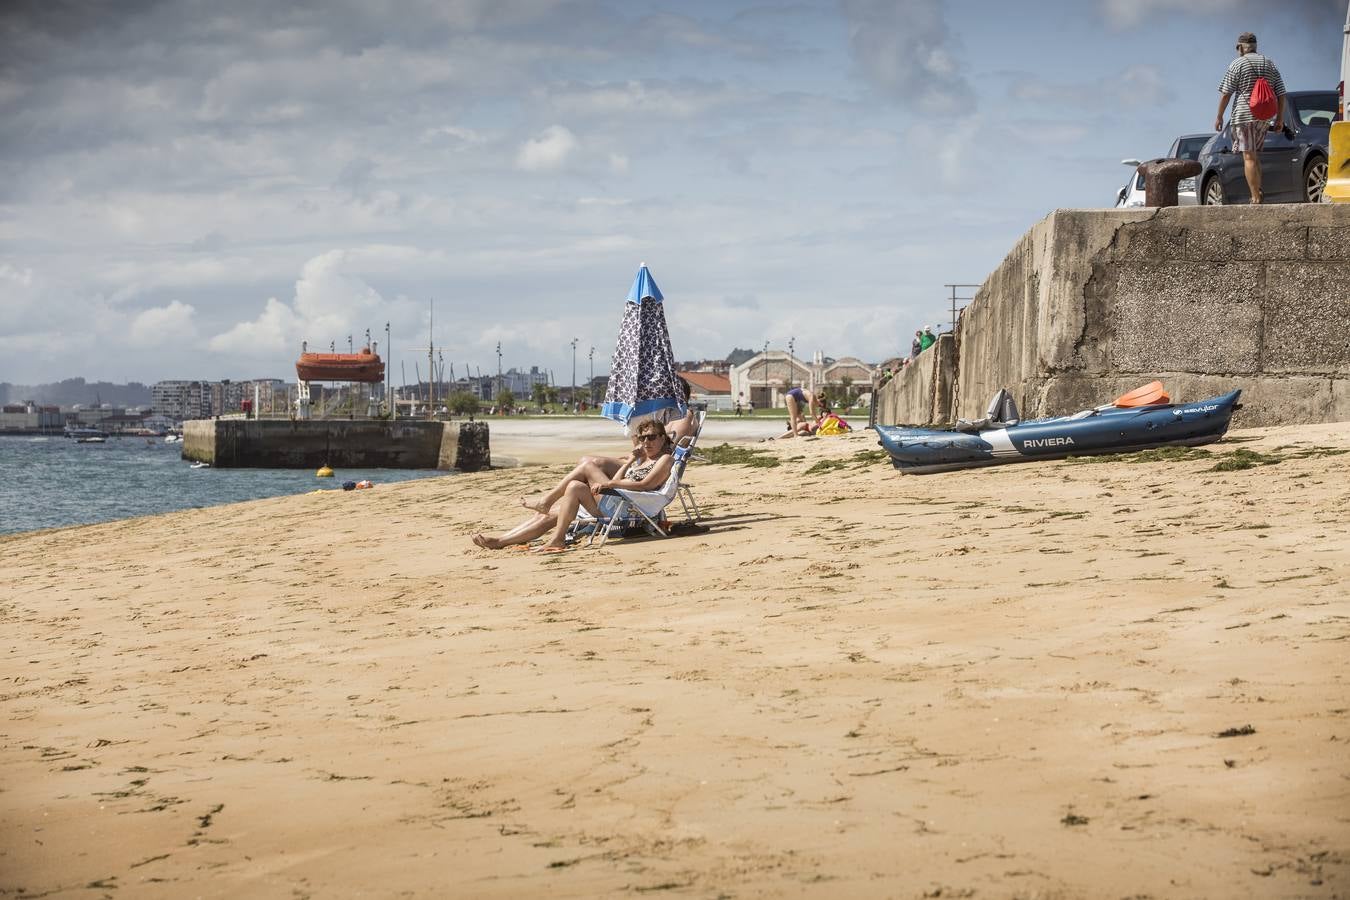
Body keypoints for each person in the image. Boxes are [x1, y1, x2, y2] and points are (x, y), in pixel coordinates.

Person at [474, 418, 676, 553]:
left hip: (628, 504)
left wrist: (611, 484)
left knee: (586, 467)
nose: (646, 442)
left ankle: (547, 507)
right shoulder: (643, 459)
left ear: (662, 438)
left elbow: (644, 485)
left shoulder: (664, 459)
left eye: (651, 437)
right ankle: (502, 540)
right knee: (565, 499)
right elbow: (625, 475)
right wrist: (631, 461)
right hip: (617, 498)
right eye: (642, 438)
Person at [1215, 31, 1286, 204]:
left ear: (1240, 47)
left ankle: (1255, 197)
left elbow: (1226, 93)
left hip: (1244, 115)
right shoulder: (1269, 63)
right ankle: (1258, 192)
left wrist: (1219, 116)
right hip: (1264, 116)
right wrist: (1279, 119)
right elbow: (1281, 93)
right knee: (1255, 157)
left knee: (1248, 157)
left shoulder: (1238, 63)